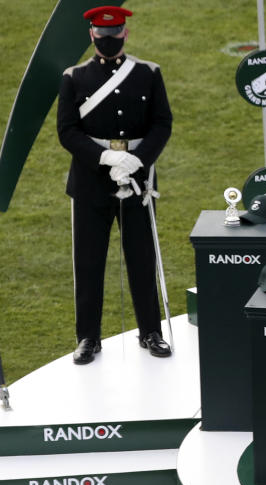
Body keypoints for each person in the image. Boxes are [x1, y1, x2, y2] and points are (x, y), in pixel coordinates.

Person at [57, 5, 172, 365]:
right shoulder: (75, 77)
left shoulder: (148, 73)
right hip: (91, 182)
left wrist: (138, 160)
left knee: (142, 258)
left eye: (115, 34)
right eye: (102, 35)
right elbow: (68, 131)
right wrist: (105, 158)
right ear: (92, 35)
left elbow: (161, 123)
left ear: (125, 34)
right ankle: (88, 337)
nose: (109, 41)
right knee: (89, 262)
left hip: (137, 179)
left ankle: (150, 331)